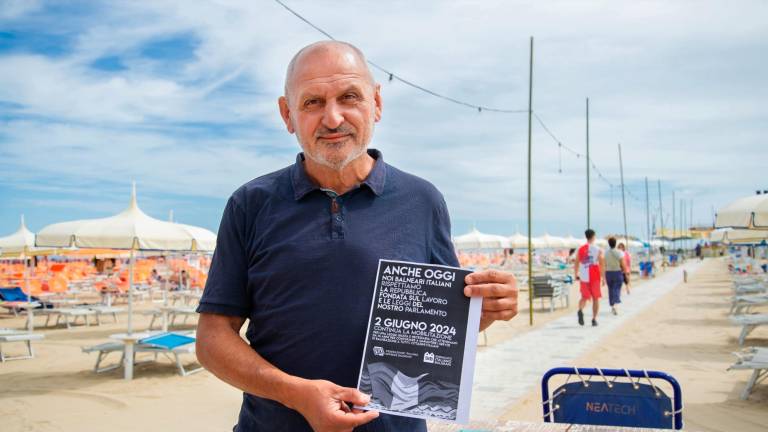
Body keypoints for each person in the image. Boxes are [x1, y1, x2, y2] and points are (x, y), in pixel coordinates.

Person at [194, 41, 519, 432]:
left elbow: (439, 327)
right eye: (312, 102)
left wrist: (484, 310)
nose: (333, 119)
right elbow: (212, 339)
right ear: (287, 114)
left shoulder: (423, 200)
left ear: (376, 103)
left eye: (349, 97)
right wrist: (297, 394)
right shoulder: (250, 204)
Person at [574, 229, 605, 326]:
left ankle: (580, 310)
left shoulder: (581, 249)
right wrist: (603, 277)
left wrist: (576, 274)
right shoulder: (598, 249)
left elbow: (576, 263)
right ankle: (594, 319)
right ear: (593, 236)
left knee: (584, 297)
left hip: (583, 276)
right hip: (595, 276)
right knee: (595, 298)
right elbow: (602, 264)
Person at [605, 238, 627, 315]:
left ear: (609, 243)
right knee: (616, 289)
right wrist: (625, 270)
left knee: (610, 289)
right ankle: (615, 305)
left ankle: (612, 305)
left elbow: (604, 263)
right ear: (615, 243)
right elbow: (623, 262)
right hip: (617, 272)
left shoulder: (606, 253)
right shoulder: (619, 252)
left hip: (608, 273)